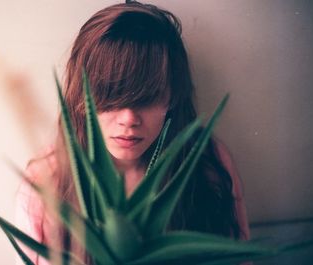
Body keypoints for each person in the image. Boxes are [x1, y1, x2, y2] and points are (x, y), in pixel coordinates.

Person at [16, 1, 250, 264]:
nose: (128, 119)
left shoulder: (206, 161)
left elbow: (239, 258)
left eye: (148, 97)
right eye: (110, 96)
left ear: (173, 95)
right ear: (81, 96)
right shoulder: (47, 179)